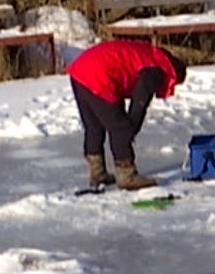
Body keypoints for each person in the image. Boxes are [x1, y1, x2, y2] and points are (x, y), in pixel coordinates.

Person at [67, 38, 187, 190]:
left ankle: (97, 173)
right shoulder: (155, 70)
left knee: (94, 126)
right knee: (120, 127)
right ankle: (127, 176)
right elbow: (139, 104)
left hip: (80, 69)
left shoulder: (151, 55)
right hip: (98, 73)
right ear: (173, 76)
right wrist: (130, 131)